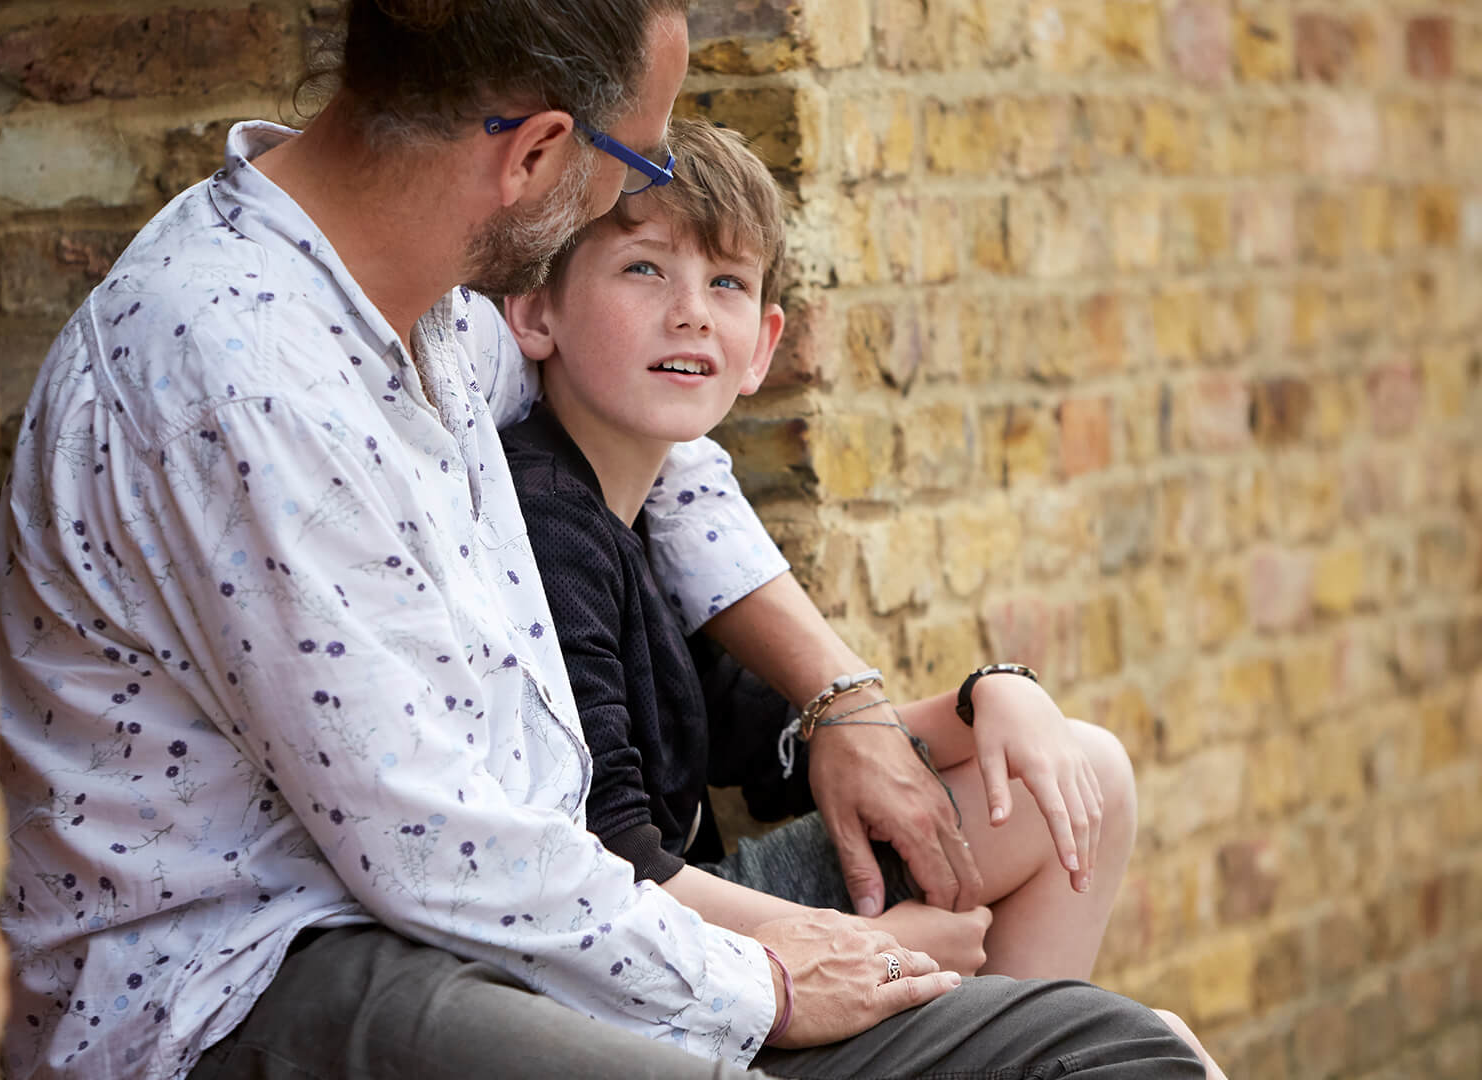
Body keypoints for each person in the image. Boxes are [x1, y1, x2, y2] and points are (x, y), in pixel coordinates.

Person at [0, 2, 1206, 1077]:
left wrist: (842, 703)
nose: (638, 195)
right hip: (261, 977)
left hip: (517, 932)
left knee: (1118, 1053)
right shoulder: (234, 379)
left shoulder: (432, 323)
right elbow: (433, 851)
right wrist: (771, 980)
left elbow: (664, 448)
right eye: (638, 161)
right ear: (537, 153)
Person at [501, 116, 1228, 1077]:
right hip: (638, 948)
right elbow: (609, 863)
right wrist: (884, 952)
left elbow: (783, 740)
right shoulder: (546, 521)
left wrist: (995, 695)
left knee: (1081, 772)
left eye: (725, 283)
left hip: (688, 905)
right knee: (1145, 1041)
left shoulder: (639, 513)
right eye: (644, 269)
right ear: (533, 312)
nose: (691, 314)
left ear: (761, 347)